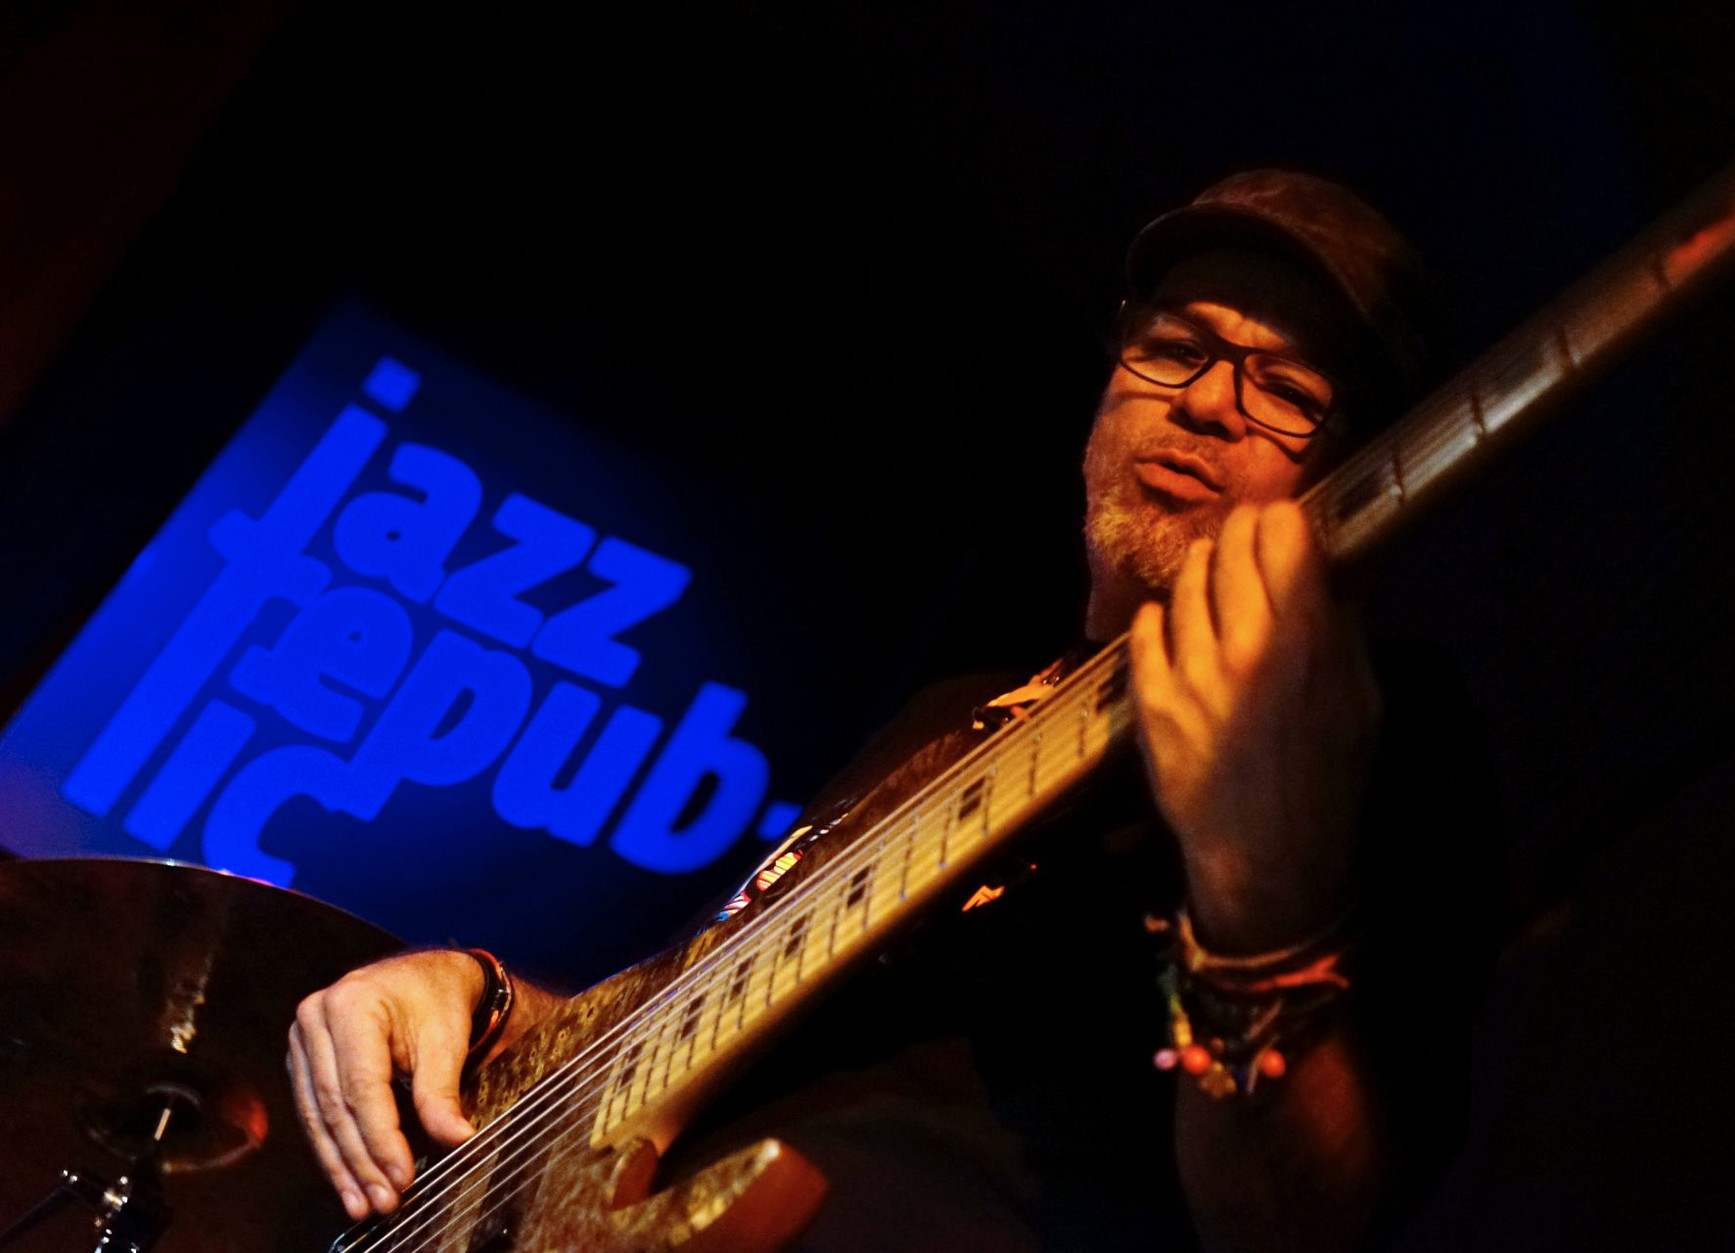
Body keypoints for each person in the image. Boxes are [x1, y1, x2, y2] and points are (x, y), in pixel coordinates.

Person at [287, 171, 1502, 1251]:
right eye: (1175, 346)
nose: (1207, 402)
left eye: (1285, 387)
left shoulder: (1384, 730)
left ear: (1358, 466)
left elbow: (1298, 1223)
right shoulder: (954, 706)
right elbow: (675, 1024)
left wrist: (1258, 903)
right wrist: (481, 998)